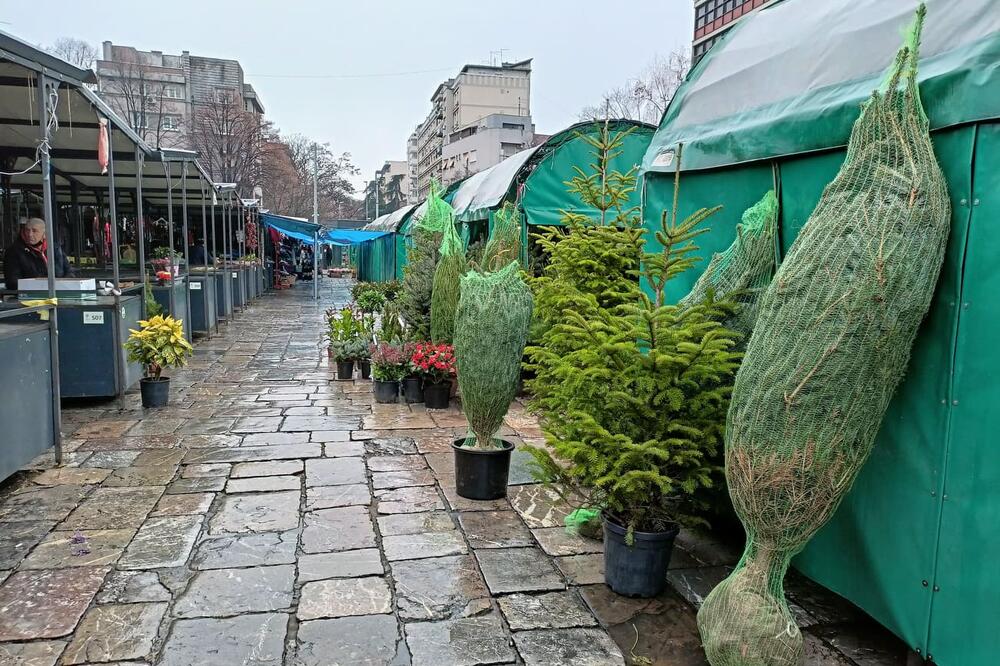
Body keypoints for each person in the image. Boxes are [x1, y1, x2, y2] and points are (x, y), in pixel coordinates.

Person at [4, 217, 72, 289]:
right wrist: (42, 286)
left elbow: (69, 270)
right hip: (30, 296)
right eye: (27, 230)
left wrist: (64, 284)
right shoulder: (14, 252)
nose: (29, 234)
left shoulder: (55, 248)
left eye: (34, 231)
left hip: (58, 293)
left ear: (44, 234)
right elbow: (12, 281)